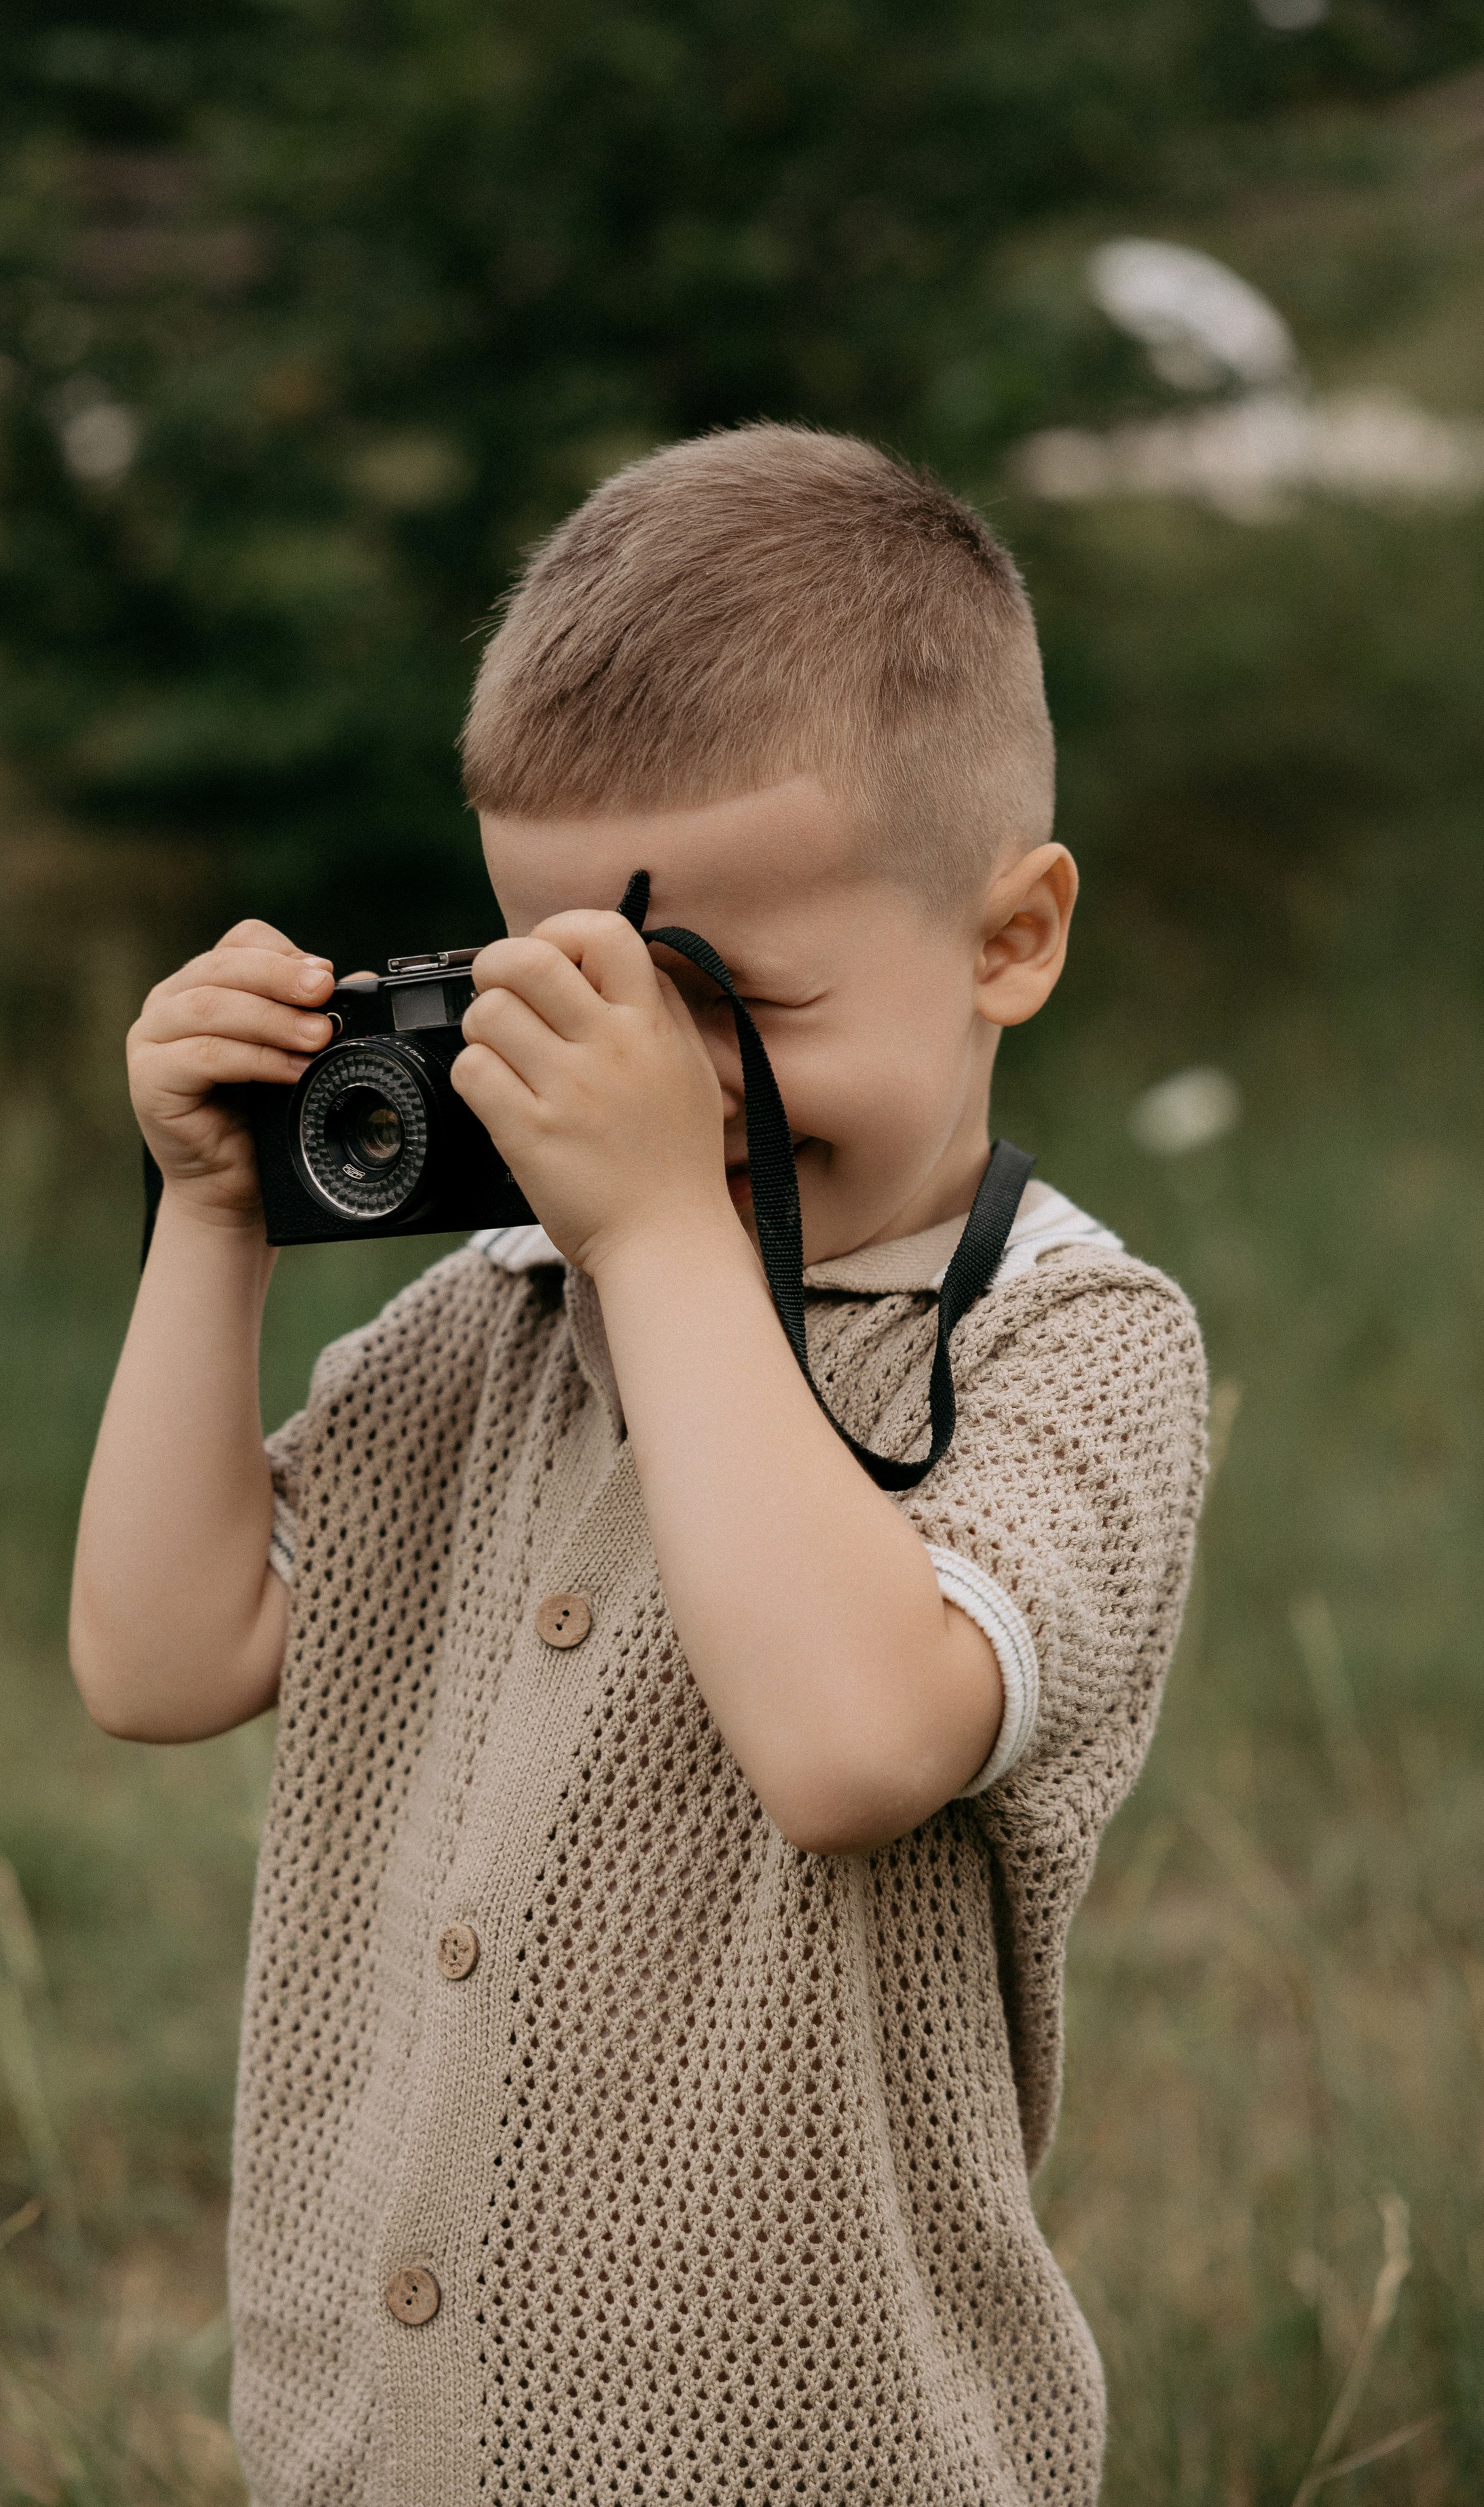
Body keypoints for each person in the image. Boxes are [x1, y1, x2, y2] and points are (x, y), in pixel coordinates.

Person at [71, 424, 1208, 2506]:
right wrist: (215, 1223)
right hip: (377, 2441)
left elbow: (857, 1740)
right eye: (576, 985)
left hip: (811, 2453)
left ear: (1010, 939)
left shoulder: (1066, 1344)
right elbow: (161, 1661)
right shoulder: (494, 1324)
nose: (651, 1085)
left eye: (729, 997)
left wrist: (663, 1222)